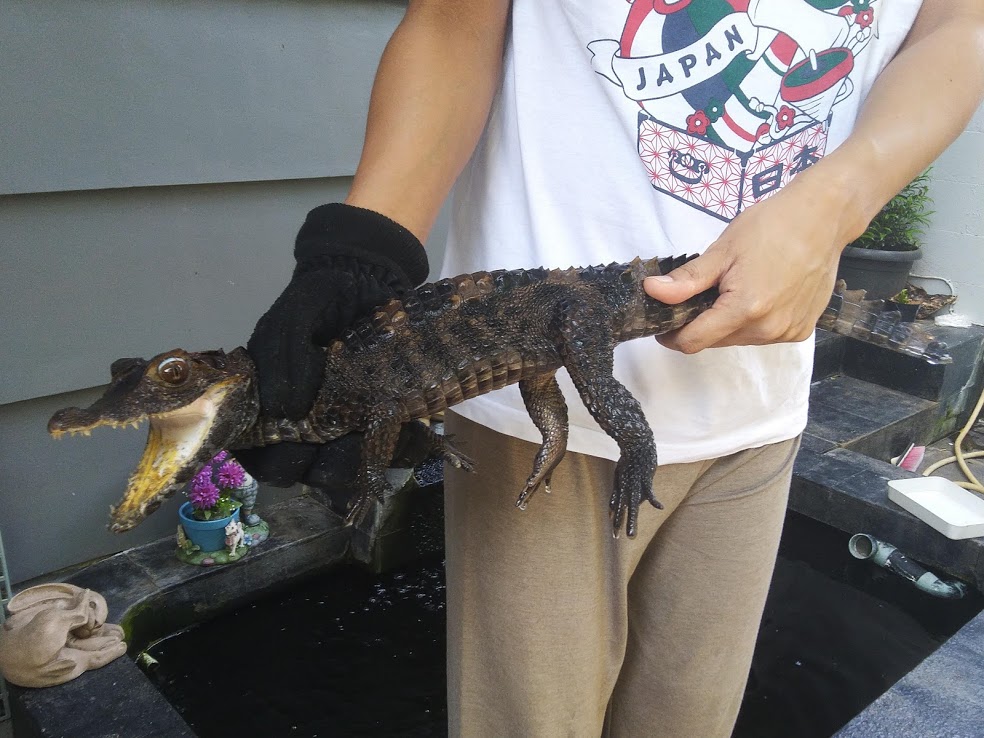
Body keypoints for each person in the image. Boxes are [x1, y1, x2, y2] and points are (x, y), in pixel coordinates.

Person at [240, 1, 984, 735]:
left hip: (763, 398)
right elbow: (451, 23)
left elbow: (962, 24)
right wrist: (365, 245)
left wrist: (837, 205)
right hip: (535, 401)